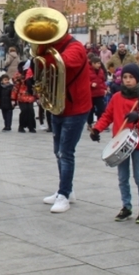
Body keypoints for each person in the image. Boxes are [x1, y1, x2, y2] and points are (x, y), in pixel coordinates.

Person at [90, 63, 139, 224]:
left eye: (131, 77)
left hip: (138, 142)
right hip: (120, 143)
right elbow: (107, 115)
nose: (127, 81)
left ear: (137, 79)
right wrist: (97, 129)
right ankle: (126, 206)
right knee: (122, 177)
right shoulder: (116, 97)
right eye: (125, 77)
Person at [42, 27, 91, 213]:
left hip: (75, 108)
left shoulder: (75, 47)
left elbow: (65, 62)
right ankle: (66, 190)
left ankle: (64, 195)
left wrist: (43, 53)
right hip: (59, 106)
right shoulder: (52, 47)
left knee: (66, 152)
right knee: (58, 151)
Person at [87, 55, 109, 129]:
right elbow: (84, 81)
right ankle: (89, 123)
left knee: (101, 109)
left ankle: (100, 124)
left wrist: (105, 88)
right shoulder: (87, 70)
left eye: (99, 63)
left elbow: (102, 81)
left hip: (100, 93)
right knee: (90, 110)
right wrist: (90, 84)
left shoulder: (101, 71)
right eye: (97, 63)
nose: (99, 65)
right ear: (92, 63)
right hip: (91, 94)